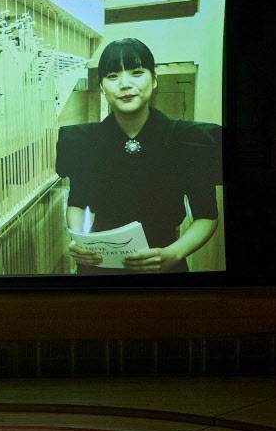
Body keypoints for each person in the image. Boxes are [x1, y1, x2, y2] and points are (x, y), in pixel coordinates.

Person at [55, 37, 221, 275]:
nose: (124, 84)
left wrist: (173, 254)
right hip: (99, 265)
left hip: (164, 264)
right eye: (112, 76)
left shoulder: (187, 139)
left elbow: (207, 216)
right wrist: (80, 239)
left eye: (136, 72)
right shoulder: (84, 140)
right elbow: (77, 202)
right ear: (102, 87)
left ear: (154, 80)